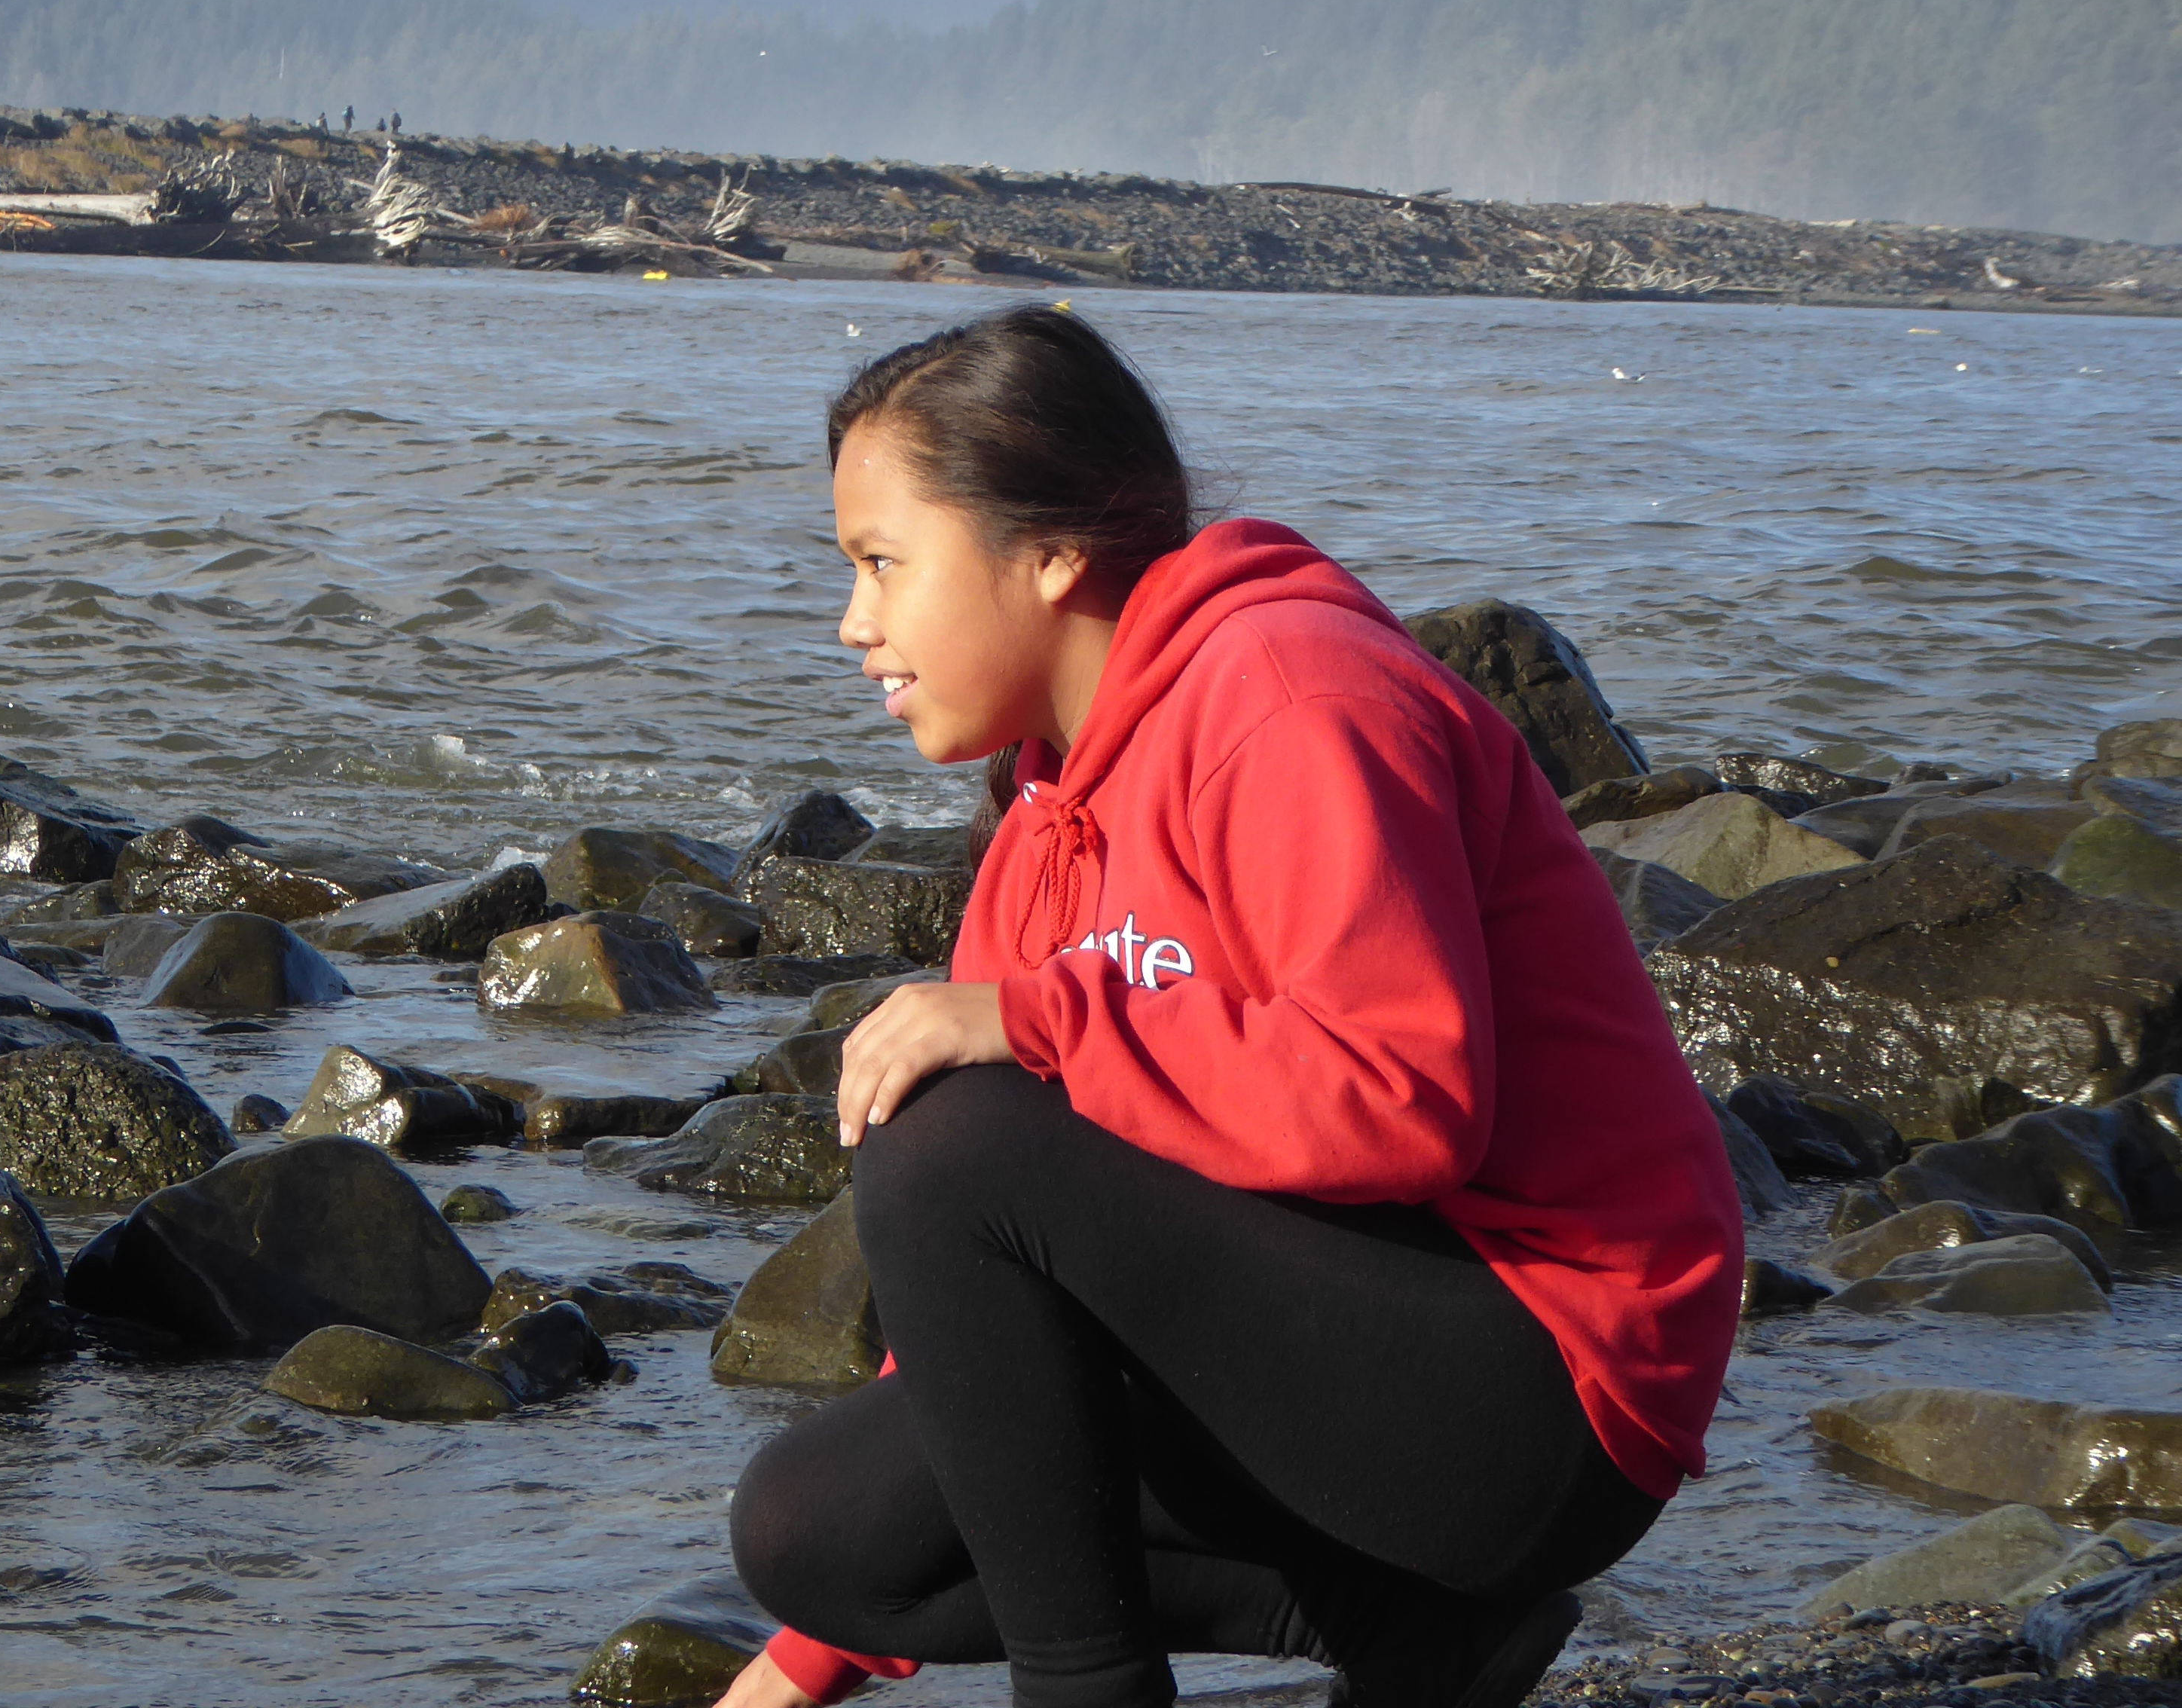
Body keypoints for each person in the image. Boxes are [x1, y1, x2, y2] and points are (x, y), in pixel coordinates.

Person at [720, 306, 1743, 1708]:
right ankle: (1410, 1636)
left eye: (882, 564)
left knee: (948, 1127)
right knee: (816, 1532)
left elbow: (1403, 1100)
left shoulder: (1291, 697)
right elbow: (988, 1316)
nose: (855, 625)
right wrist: (790, 1673)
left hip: (1541, 1387)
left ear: (1052, 551)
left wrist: (1036, 1025)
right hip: (1348, 1357)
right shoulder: (1043, 816)